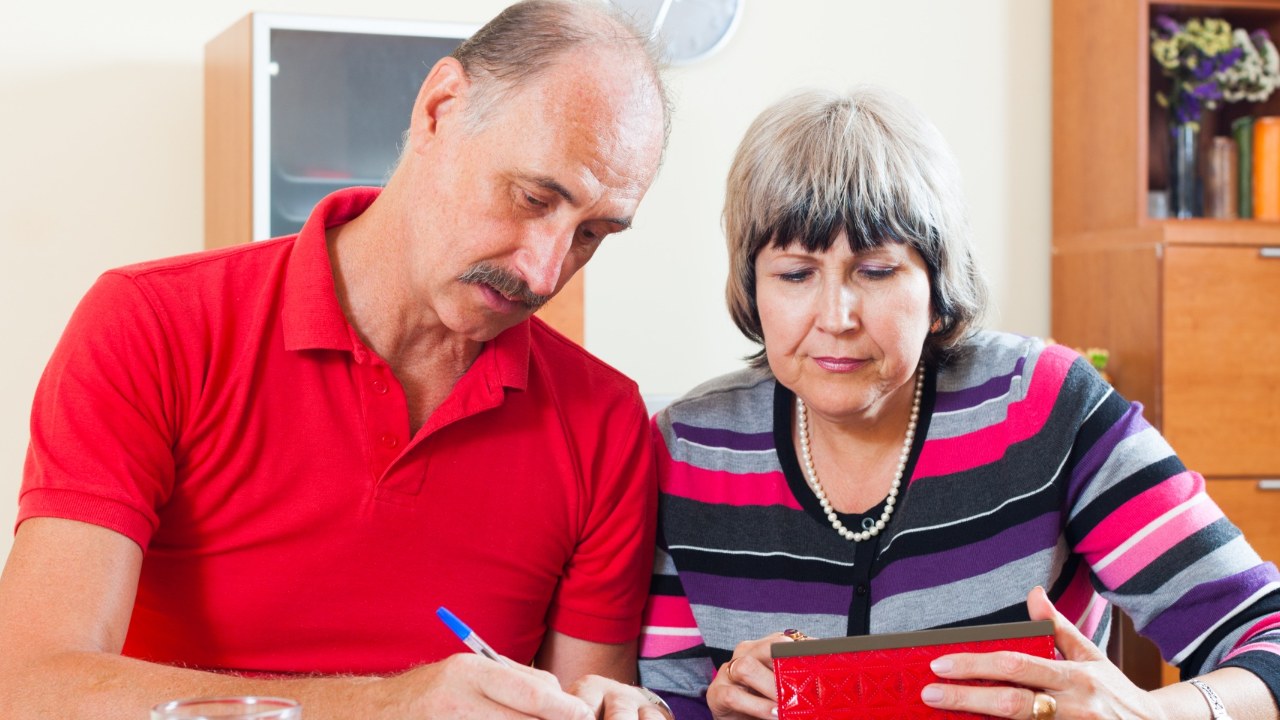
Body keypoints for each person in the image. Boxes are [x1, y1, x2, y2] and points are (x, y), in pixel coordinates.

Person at [0, 1, 675, 718]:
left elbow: (584, 698)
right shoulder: (152, 324)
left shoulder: (604, 420)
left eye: (593, 234)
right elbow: (31, 685)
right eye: (533, 197)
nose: (544, 273)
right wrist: (387, 707)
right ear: (441, 109)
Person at [637, 86, 1280, 720]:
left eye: (876, 270)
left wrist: (1151, 715)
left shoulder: (1042, 407)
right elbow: (662, 701)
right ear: (754, 288)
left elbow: (1268, 639)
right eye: (796, 274)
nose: (835, 317)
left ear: (938, 285)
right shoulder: (691, 448)